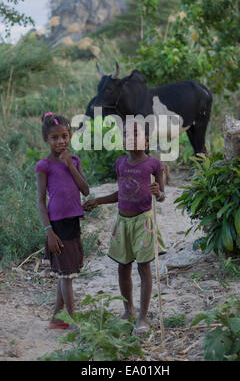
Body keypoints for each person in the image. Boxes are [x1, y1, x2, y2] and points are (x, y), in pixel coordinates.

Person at [83, 120, 166, 335]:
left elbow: (162, 196)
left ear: (147, 140)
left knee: (144, 268)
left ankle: (142, 317)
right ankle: (128, 309)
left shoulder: (154, 165)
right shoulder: (120, 163)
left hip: (143, 222)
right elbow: (120, 193)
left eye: (136, 135)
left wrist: (158, 192)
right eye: (126, 135)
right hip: (122, 221)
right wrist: (98, 201)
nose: (130, 139)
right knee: (123, 267)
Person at [35, 112, 89, 329]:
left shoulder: (74, 160)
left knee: (66, 271)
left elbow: (85, 190)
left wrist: (70, 165)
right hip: (57, 226)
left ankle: (58, 318)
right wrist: (49, 232)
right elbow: (40, 201)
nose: (60, 141)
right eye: (55, 137)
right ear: (46, 140)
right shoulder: (44, 165)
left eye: (64, 136)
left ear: (70, 136)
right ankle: (73, 321)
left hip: (73, 221)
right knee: (66, 275)